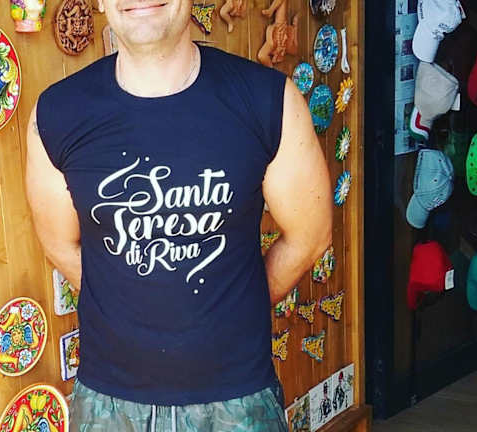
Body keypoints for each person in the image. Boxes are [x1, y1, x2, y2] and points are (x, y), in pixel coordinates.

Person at [25, 0, 332, 428]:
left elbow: (310, 237)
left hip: (238, 400)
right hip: (109, 404)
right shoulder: (58, 113)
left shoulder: (269, 100)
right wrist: (131, 305)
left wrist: (234, 307)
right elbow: (60, 245)